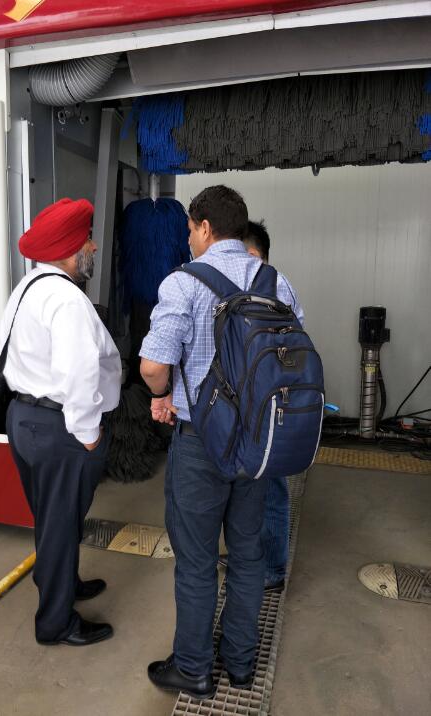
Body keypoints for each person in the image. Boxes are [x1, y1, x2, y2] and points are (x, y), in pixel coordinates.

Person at [139, 186, 304, 699]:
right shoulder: (277, 282)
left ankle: (193, 667)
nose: (188, 239)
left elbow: (153, 366)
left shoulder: (184, 283)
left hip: (201, 445)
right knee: (248, 554)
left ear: (206, 227)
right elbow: (294, 360)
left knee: (196, 560)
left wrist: (161, 397)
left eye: (190, 229)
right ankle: (240, 662)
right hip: (258, 443)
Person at [1, 197, 122, 647]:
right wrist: (88, 434)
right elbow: (79, 373)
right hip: (59, 428)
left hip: (25, 419)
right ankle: (55, 624)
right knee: (58, 523)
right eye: (88, 239)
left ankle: (65, 584)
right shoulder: (67, 299)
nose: (93, 246)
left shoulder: (28, 287)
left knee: (53, 518)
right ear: (70, 248)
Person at [219, 219, 304, 591]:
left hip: (264, 406)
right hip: (263, 404)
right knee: (253, 485)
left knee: (270, 488)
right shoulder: (275, 285)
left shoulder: (269, 285)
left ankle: (272, 568)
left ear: (252, 254)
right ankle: (254, 558)